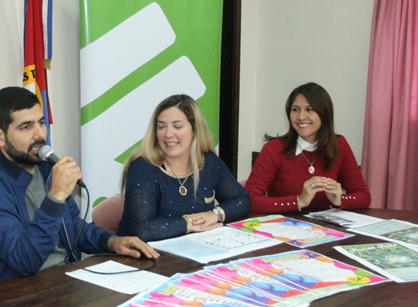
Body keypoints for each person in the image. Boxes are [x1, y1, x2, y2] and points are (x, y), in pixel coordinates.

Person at [0, 86, 159, 288]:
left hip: (64, 280)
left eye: (41, 123)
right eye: (26, 127)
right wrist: (55, 196)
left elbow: (73, 228)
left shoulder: (46, 168)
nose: (40, 134)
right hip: (12, 294)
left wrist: (111, 242)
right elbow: (25, 260)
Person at [118, 94, 251, 241]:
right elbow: (142, 229)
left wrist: (215, 214)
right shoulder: (142, 167)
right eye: (161, 126)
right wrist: (189, 224)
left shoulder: (209, 162)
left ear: (195, 129)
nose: (168, 134)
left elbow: (242, 200)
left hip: (195, 248)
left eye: (177, 126)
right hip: (144, 252)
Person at [245, 82, 371, 213]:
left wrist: (339, 200)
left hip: (324, 224)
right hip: (286, 223)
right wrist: (299, 201)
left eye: (309, 109)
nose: (301, 117)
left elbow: (364, 197)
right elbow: (249, 200)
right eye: (295, 109)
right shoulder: (274, 149)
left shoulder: (339, 145)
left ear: (324, 113)